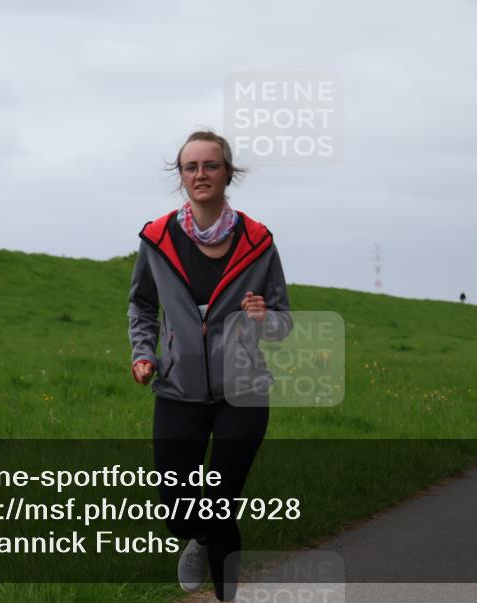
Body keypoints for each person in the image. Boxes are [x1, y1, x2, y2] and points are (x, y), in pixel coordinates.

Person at [128, 130, 292, 601]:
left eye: (211, 165)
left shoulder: (259, 242)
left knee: (220, 506)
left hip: (244, 391)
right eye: (191, 167)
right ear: (181, 176)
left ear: (228, 173)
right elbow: (142, 305)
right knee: (179, 513)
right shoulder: (157, 239)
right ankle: (195, 538)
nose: (201, 174)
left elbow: (283, 324)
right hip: (178, 390)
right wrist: (143, 353)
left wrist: (264, 318)